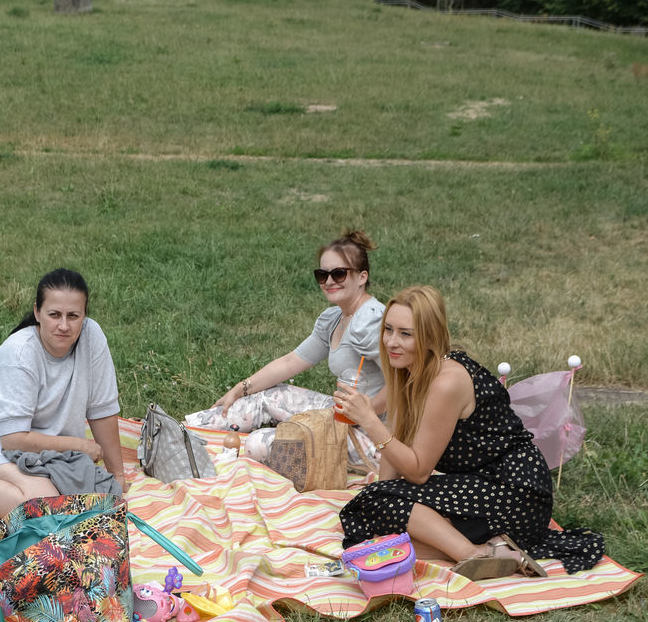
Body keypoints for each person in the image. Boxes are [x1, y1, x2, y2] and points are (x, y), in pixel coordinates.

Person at [333, 285, 605, 579]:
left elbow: (418, 473)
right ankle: (496, 547)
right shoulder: (410, 370)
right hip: (478, 484)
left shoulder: (446, 383)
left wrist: (370, 421)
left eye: (405, 334)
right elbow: (397, 442)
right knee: (371, 512)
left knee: (377, 510)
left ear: (430, 337)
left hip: (515, 491)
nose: (391, 342)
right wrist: (382, 496)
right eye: (388, 329)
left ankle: (475, 555)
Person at [0, 268, 127, 519]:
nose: (64, 325)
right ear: (37, 312)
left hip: (45, 448)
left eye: (73, 316)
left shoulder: (92, 337)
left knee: (80, 502)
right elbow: (13, 439)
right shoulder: (19, 352)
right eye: (54, 315)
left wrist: (118, 476)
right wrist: (78, 446)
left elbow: (102, 409)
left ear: (84, 316)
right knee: (44, 506)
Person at [186, 230, 387, 462]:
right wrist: (240, 389)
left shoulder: (371, 321)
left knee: (259, 444)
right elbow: (290, 362)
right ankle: (183, 432)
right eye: (322, 275)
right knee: (268, 396)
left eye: (339, 274)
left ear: (362, 277)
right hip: (343, 415)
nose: (329, 281)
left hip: (376, 437)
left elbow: (402, 383)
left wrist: (366, 414)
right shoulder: (335, 319)